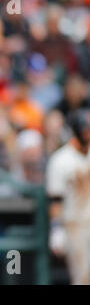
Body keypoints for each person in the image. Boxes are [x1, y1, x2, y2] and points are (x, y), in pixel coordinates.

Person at [46, 108, 90, 284]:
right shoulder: (60, 159)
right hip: (75, 225)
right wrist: (57, 229)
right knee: (83, 278)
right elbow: (56, 200)